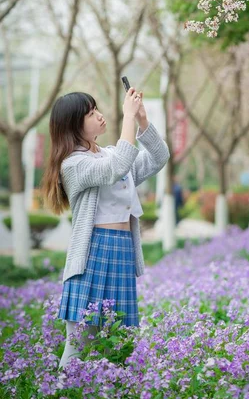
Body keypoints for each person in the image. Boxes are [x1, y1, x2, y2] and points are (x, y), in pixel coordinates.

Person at [41, 87, 169, 369]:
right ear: (74, 125)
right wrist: (128, 118)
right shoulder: (73, 165)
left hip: (121, 252)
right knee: (79, 346)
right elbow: (117, 166)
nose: (99, 116)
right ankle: (61, 397)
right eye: (91, 113)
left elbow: (159, 158)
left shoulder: (110, 154)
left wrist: (143, 121)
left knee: (120, 343)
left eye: (97, 109)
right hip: (92, 254)